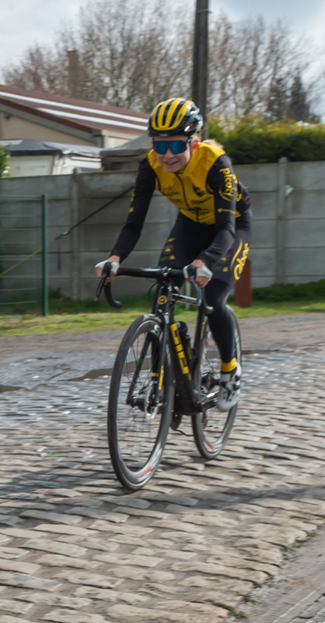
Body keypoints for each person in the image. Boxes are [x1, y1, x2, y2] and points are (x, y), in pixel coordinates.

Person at [96, 98, 250, 410]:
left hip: (229, 228)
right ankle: (162, 377)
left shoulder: (215, 163)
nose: (167, 155)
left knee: (213, 299)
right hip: (189, 225)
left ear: (194, 143)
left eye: (176, 145)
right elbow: (133, 224)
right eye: (160, 145)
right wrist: (115, 258)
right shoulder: (150, 165)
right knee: (163, 292)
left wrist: (205, 261)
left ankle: (229, 369)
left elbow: (225, 229)